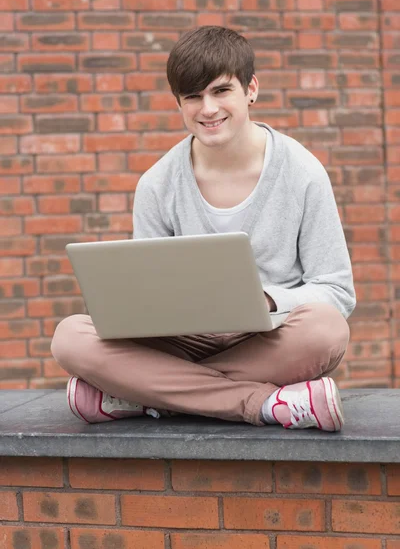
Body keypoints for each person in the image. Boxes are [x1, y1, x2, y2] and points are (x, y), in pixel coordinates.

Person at [51, 26, 355, 431]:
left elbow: (336, 291)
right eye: (193, 97)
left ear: (251, 89)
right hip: (184, 341)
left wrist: (266, 300)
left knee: (326, 329)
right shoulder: (157, 184)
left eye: (220, 91)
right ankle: (262, 403)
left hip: (268, 339)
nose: (208, 109)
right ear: (179, 103)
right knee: (70, 336)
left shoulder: (303, 173)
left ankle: (141, 395)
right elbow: (147, 295)